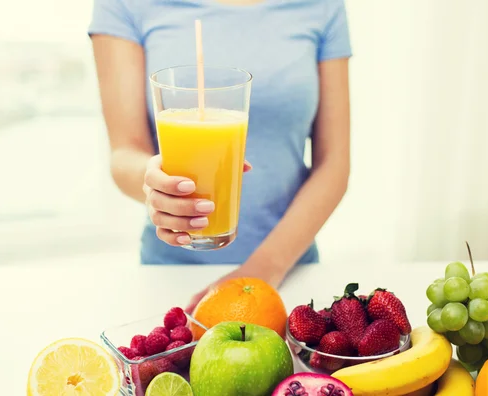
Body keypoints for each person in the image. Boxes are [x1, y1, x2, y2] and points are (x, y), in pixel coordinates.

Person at [88, 0, 352, 312]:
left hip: (291, 275)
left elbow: (334, 164)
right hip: (169, 279)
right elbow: (124, 152)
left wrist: (262, 271)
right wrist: (153, 186)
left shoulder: (322, 6)